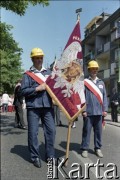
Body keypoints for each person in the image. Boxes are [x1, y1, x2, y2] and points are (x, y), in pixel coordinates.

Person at [20, 47, 56, 168]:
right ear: (32, 59)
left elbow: (56, 89)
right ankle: (35, 156)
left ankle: (50, 155)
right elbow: (22, 91)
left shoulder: (49, 73)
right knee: (33, 133)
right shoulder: (27, 75)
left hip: (48, 106)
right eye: (36, 58)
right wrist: (37, 88)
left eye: (41, 57)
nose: (39, 60)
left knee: (51, 131)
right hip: (33, 107)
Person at [81, 60, 108, 158]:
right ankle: (84, 148)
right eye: (92, 69)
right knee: (86, 131)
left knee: (98, 132)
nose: (94, 71)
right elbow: (82, 97)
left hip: (99, 112)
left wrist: (105, 110)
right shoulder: (85, 82)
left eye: (96, 69)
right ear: (89, 70)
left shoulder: (101, 83)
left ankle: (98, 148)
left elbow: (104, 97)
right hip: (88, 112)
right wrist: (83, 110)